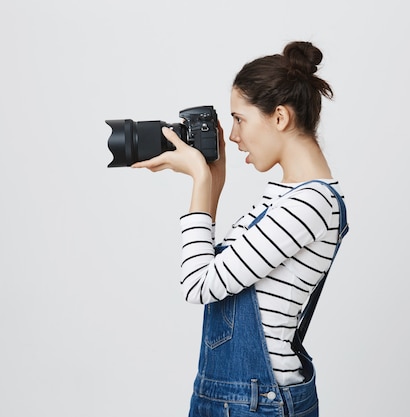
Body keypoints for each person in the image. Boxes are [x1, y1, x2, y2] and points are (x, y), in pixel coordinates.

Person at [132, 40, 348, 417]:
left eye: (240, 119)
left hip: (254, 403)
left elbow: (199, 285)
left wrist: (200, 179)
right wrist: (215, 181)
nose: (232, 136)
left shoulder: (309, 204)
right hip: (236, 398)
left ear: (279, 118)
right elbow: (222, 278)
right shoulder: (285, 199)